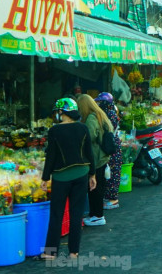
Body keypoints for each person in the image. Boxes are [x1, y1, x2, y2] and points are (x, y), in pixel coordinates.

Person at [40, 98, 96, 260]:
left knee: (56, 214)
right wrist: (92, 174)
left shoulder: (54, 131)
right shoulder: (83, 128)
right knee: (76, 213)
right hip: (81, 174)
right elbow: (89, 152)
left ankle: (51, 252)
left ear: (61, 112)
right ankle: (74, 251)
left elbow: (51, 156)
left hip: (61, 176)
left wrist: (45, 177)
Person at [77, 94, 112, 226]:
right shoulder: (100, 115)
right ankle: (95, 214)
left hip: (96, 157)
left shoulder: (91, 117)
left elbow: (90, 136)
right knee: (97, 187)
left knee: (95, 188)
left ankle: (97, 216)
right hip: (102, 156)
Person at [95, 92, 122, 210]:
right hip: (113, 144)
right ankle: (110, 197)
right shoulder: (111, 112)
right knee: (111, 171)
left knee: (112, 172)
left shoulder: (108, 114)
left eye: (100, 102)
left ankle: (113, 200)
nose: (98, 104)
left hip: (111, 145)